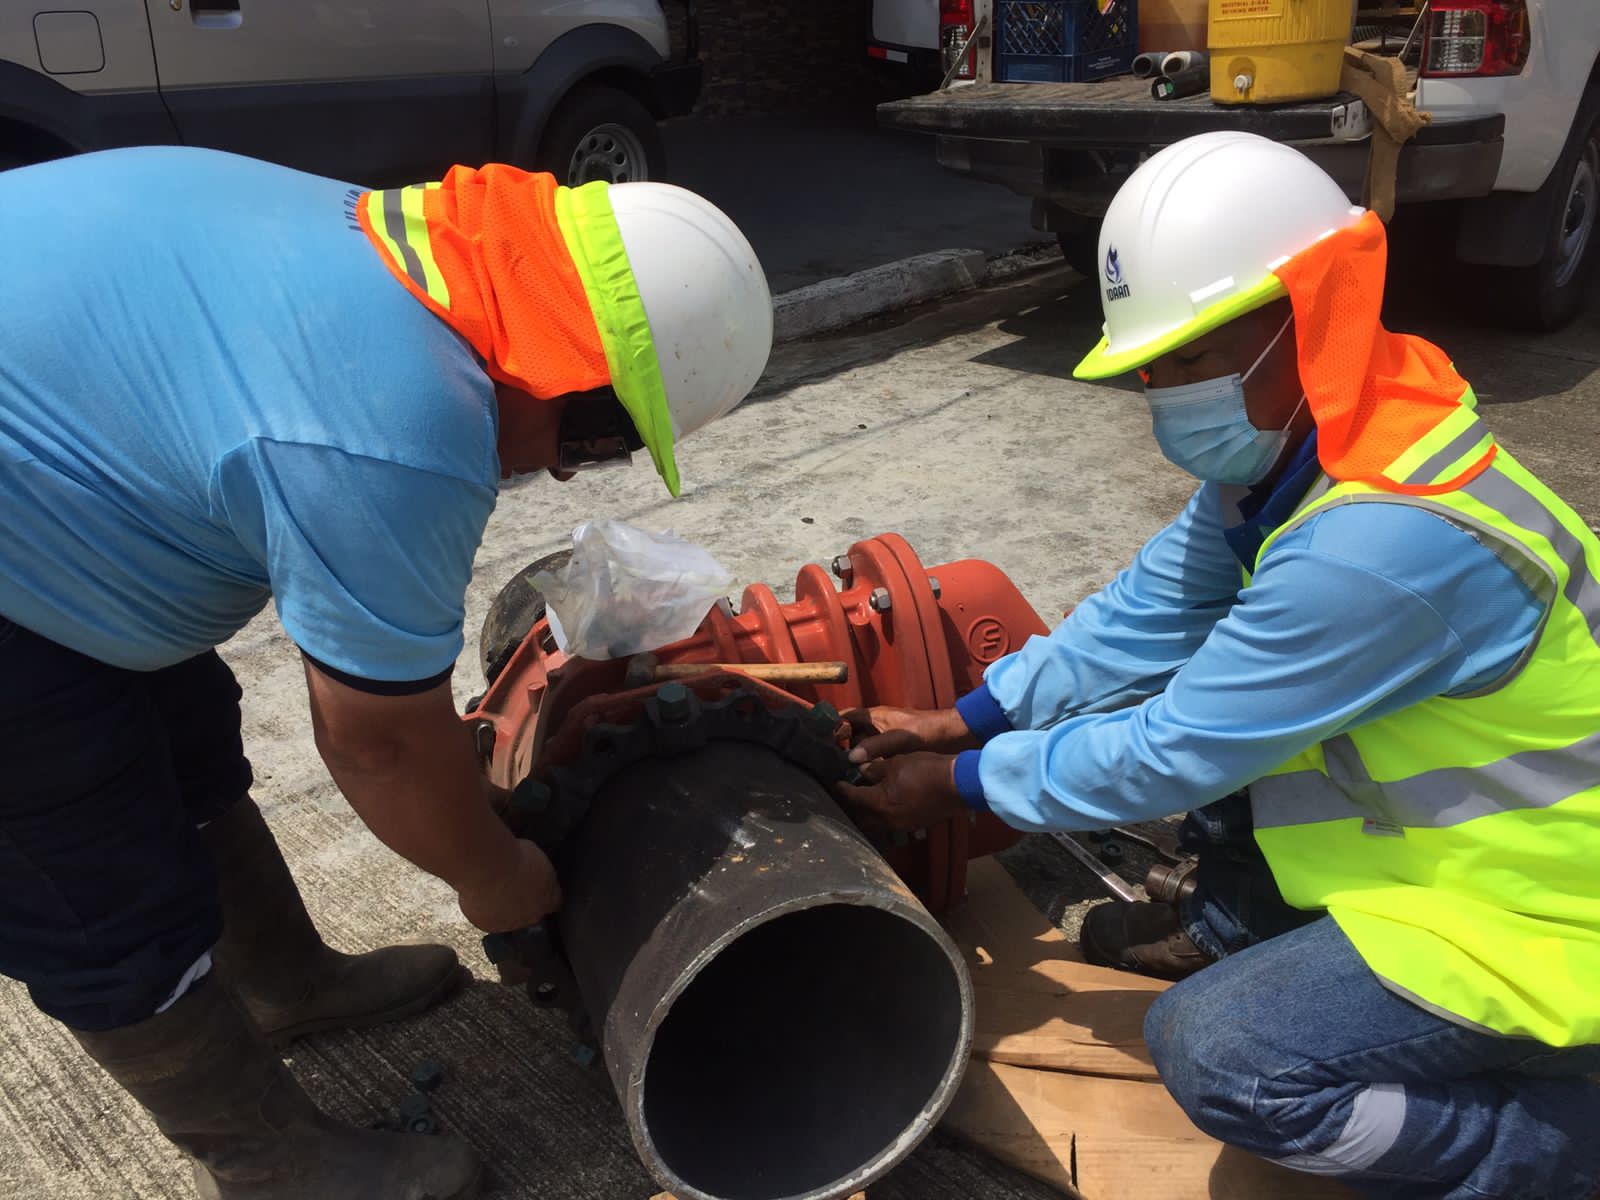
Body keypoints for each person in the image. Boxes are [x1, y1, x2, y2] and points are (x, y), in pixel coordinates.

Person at [839, 131, 1600, 1199]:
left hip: (1539, 917)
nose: (1167, 395)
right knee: (1224, 690)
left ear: (1311, 321)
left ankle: (1553, 1147)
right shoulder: (1324, 443)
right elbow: (1144, 617)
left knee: (1218, 1055)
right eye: (1153, 368)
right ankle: (1250, 924)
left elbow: (1173, 751)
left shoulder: (1382, 542)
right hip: (1433, 859)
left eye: (1193, 360)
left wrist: (959, 785)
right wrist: (965, 717)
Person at [0, 146, 771, 1199]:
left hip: (41, 510)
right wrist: (494, 877)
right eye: (595, 439)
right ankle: (275, 1166)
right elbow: (375, 740)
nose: (558, 467)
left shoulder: (410, 247)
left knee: (179, 731)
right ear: (567, 368)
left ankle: (280, 980)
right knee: (85, 871)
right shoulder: (398, 419)